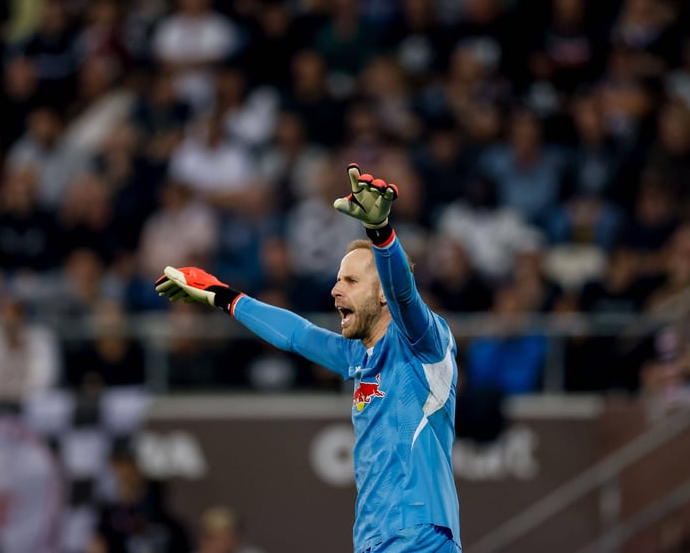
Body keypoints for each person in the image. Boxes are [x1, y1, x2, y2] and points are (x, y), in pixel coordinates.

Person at [156, 163, 461, 552]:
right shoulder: (359, 357)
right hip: (373, 541)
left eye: (350, 281)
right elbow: (298, 336)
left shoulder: (426, 345)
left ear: (382, 291)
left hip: (421, 537)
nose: (335, 290)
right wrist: (224, 296)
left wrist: (381, 234)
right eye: (337, 279)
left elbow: (405, 296)